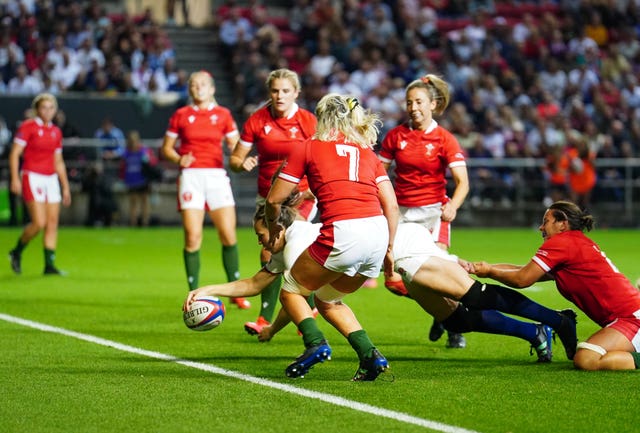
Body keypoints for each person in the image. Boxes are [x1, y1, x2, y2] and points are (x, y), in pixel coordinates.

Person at [186, 204, 573, 367]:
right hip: (392, 251)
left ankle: (557, 320)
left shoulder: (301, 242)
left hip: (403, 246)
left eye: (262, 234)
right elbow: (257, 285)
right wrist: (208, 290)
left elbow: (298, 296)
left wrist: (273, 327)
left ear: (279, 227)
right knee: (455, 319)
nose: (261, 242)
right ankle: (535, 331)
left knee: (476, 295)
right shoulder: (289, 248)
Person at [264, 93, 399, 381]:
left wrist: (274, 224)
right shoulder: (367, 153)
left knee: (291, 290)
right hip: (376, 233)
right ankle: (370, 356)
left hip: (343, 230)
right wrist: (388, 248)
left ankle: (315, 344)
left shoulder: (309, 147)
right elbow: (392, 205)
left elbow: (275, 199)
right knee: (328, 300)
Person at [471, 200, 640, 371]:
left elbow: (522, 279)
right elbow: (524, 270)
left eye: (545, 221)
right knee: (586, 356)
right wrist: (484, 268)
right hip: (627, 317)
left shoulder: (562, 243)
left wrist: (490, 272)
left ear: (562, 224)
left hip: (631, 319)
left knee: (587, 359)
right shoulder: (574, 242)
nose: (541, 228)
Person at [378, 74, 470, 349]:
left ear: (432, 104)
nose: (413, 107)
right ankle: (440, 313)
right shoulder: (395, 136)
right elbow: (379, 174)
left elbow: (463, 182)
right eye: (409, 102)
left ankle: (455, 327)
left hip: (434, 214)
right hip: (402, 215)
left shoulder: (444, 139)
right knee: (394, 281)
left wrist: (452, 205)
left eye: (419, 101)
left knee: (440, 277)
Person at [229, 68, 318, 336]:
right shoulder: (257, 120)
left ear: (296, 93)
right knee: (270, 252)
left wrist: (313, 188)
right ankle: (305, 310)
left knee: (290, 250)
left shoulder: (308, 121)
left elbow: (319, 157)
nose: (280, 96)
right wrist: (241, 164)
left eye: (285, 91)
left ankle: (273, 317)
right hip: (268, 198)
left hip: (299, 195)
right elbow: (234, 160)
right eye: (275, 91)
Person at [161, 70, 250, 309]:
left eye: (202, 84)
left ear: (212, 89)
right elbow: (166, 148)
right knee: (192, 237)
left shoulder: (223, 115)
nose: (197, 87)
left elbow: (236, 146)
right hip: (191, 178)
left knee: (228, 235)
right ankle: (193, 294)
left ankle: (236, 291)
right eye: (193, 84)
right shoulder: (181, 114)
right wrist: (179, 159)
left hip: (216, 177)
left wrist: (243, 159)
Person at [8, 93, 71, 275]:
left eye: (51, 108)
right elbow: (14, 153)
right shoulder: (28, 127)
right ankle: (17, 251)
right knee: (39, 222)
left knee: (52, 223)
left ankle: (49, 265)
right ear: (37, 109)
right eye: (44, 107)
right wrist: (15, 178)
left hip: (51, 178)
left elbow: (58, 161)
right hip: (32, 175)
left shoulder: (56, 132)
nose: (48, 111)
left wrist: (65, 186)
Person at [120, 130, 157, 227]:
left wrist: (148, 159)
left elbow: (152, 162)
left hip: (143, 180)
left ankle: (145, 222)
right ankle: (133, 222)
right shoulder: (126, 153)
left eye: (134, 141)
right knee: (133, 202)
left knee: (144, 201)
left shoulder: (143, 151)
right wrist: (123, 178)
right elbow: (123, 167)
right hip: (131, 180)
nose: (133, 143)